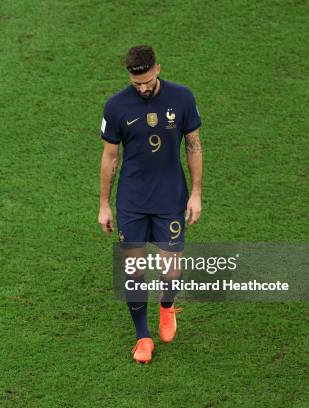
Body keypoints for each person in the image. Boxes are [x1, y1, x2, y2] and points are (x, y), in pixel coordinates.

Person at [98, 45, 203, 364]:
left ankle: (167, 306)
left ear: (157, 68)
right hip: (131, 199)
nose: (142, 88)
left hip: (171, 196)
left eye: (146, 81)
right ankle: (143, 337)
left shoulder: (182, 98)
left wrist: (196, 193)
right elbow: (109, 157)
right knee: (134, 269)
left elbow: (194, 146)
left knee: (171, 269)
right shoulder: (116, 106)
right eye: (136, 84)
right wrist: (104, 204)